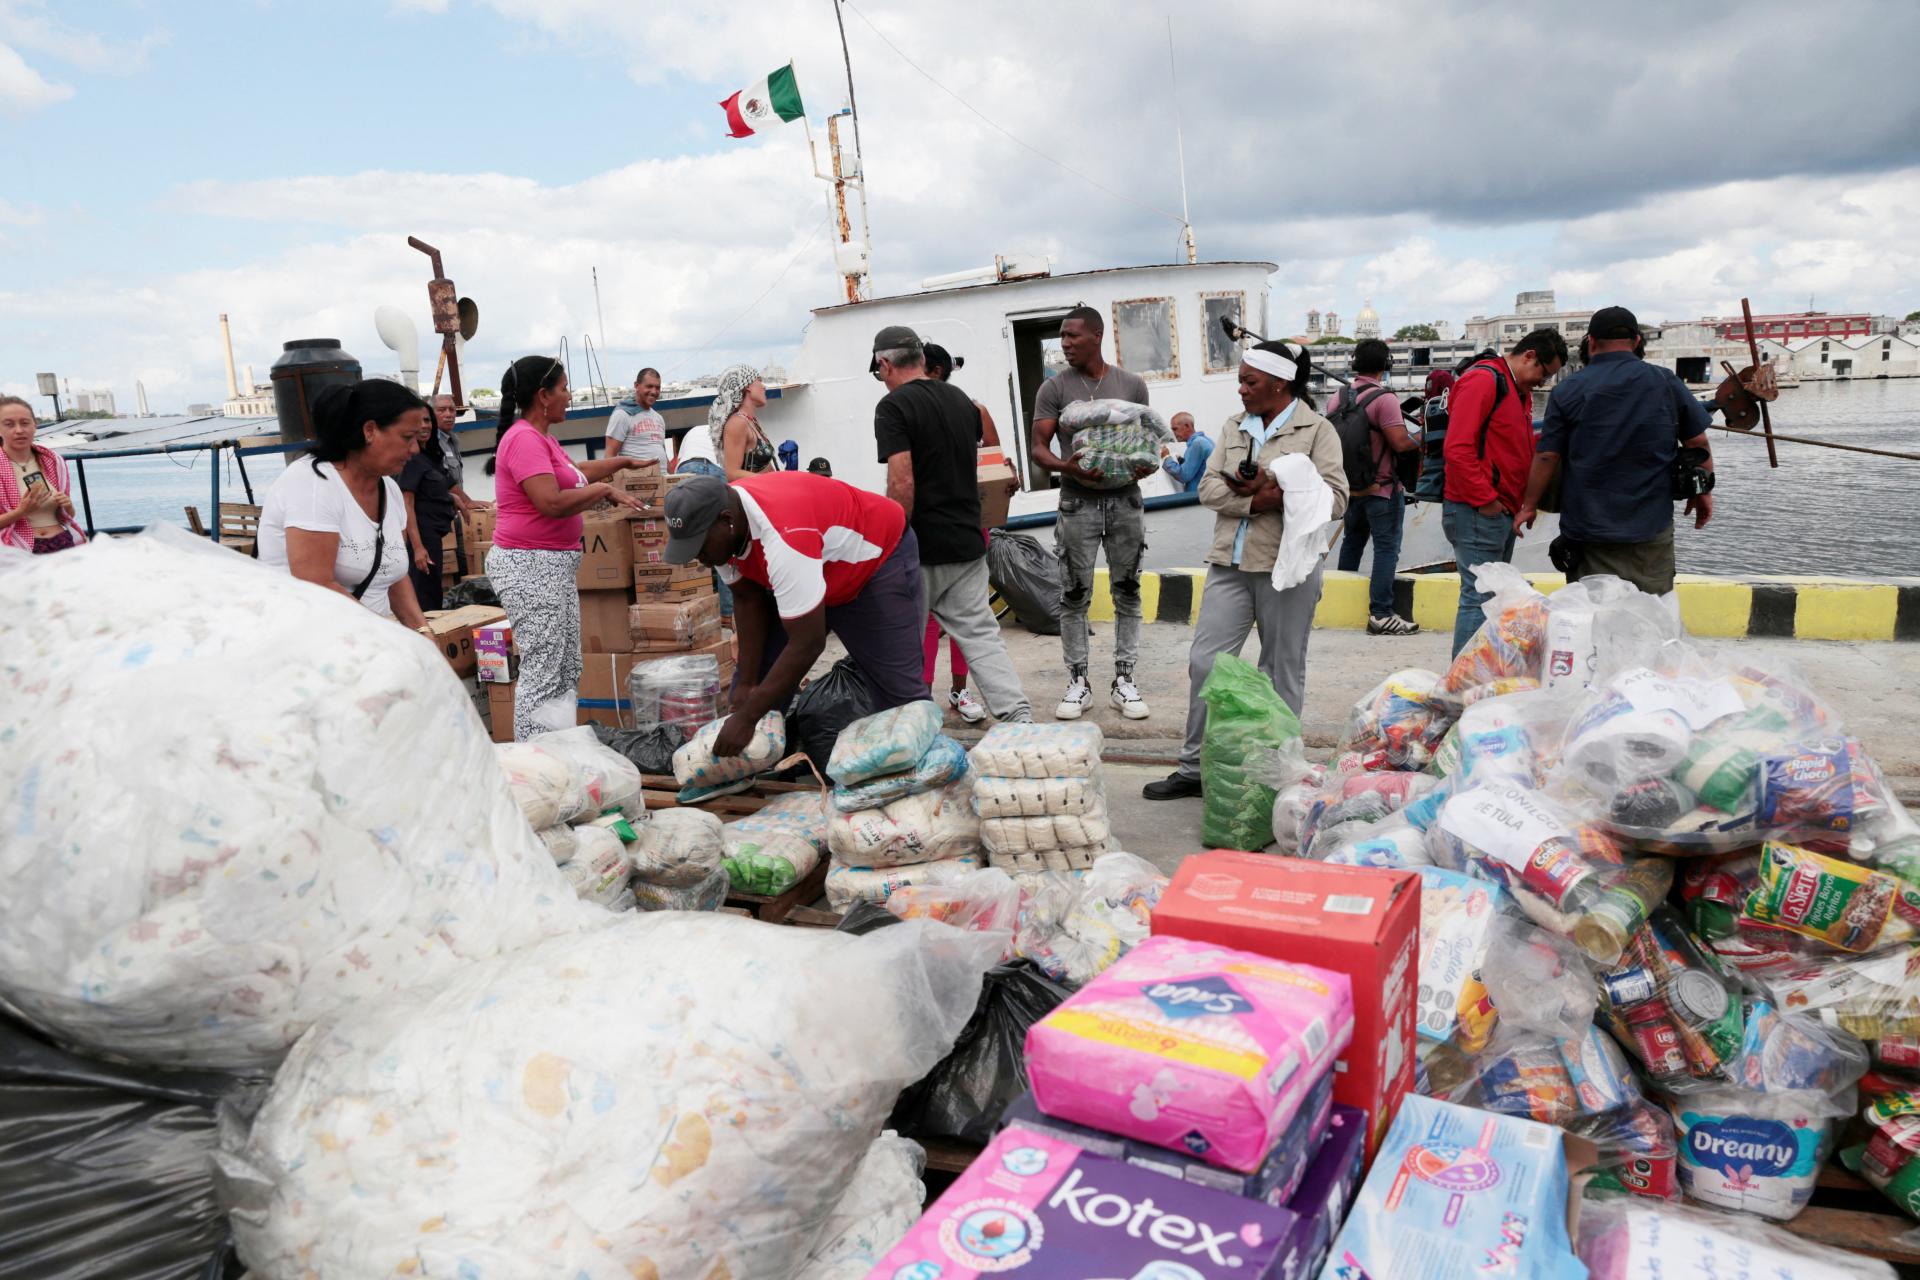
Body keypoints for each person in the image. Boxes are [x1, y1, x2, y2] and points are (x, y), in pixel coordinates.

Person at [1144, 341, 1348, 801]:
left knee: (1281, 669)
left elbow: (1335, 499)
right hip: (1229, 564)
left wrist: (1279, 481)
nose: (1240, 390)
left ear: (1279, 383)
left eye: (1249, 382)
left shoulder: (1317, 431)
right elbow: (1208, 489)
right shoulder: (1233, 426)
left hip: (1287, 569)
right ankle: (1193, 767)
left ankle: (1278, 772)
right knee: (1205, 663)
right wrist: (1257, 500)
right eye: (1241, 380)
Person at [662, 473, 928, 756]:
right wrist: (748, 684)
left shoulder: (784, 535)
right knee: (756, 685)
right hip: (811, 565)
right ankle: (752, 764)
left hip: (873, 565)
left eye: (699, 547)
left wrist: (747, 717)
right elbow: (747, 597)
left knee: (901, 699)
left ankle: (926, 779)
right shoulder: (725, 524)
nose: (697, 558)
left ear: (727, 521)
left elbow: (808, 643)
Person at [872, 324, 1032, 725]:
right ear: (923, 360)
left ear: (885, 363)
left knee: (903, 642)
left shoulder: (892, 407)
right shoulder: (963, 402)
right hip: (966, 541)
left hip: (920, 547)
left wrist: (892, 544)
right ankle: (1019, 719)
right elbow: (982, 467)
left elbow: (902, 481)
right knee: (980, 636)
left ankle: (908, 729)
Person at [485, 355, 648, 740]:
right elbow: (552, 501)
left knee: (566, 666)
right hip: (528, 565)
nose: (569, 396)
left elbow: (574, 474)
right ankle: (535, 761)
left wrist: (620, 463)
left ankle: (558, 749)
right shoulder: (523, 438)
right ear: (544, 396)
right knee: (543, 670)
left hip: (552, 565)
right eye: (563, 388)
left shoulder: (542, 438)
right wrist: (605, 491)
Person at [1517, 305, 1713, 594]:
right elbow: (1698, 444)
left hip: (1587, 530)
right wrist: (1703, 492)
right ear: (1636, 342)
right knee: (1651, 616)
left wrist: (1529, 506)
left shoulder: (1568, 390)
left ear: (1591, 342)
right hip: (1649, 527)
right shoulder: (1665, 382)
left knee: (1592, 616)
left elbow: (1548, 455)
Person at [1030, 304, 1153, 721]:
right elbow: (1038, 449)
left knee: (1128, 592)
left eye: (1072, 336)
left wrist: (1147, 464)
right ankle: (1078, 682)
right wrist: (1067, 466)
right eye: (1062, 337)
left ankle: (1124, 680)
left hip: (1126, 500)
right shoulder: (1054, 388)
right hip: (1076, 501)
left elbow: (1145, 442)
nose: (1064, 344)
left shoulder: (1132, 385)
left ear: (1096, 336)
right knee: (1073, 596)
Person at [257, 381, 428, 628]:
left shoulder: (389, 488)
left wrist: (423, 633)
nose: (415, 449)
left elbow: (393, 576)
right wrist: (391, 639)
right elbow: (315, 583)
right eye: (407, 437)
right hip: (311, 642)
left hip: (368, 641)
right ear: (370, 430)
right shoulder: (312, 483)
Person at [1442, 328, 1569, 656]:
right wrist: (1486, 501)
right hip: (1478, 510)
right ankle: (1462, 685)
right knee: (1479, 598)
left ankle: (1478, 676)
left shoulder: (1517, 390)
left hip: (1500, 510)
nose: (1543, 383)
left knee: (1492, 598)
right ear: (1529, 356)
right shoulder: (1484, 381)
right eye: (1544, 373)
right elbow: (1457, 449)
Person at [1332, 338, 1421, 636]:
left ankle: (1341, 603)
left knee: (1352, 543)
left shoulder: (1338, 396)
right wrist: (1424, 436)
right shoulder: (1384, 399)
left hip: (1351, 489)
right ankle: (1381, 613)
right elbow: (1399, 443)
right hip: (1382, 489)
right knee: (1386, 549)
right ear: (1386, 365)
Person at [0, 394, 87, 554]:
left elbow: (67, 516)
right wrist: (20, 512)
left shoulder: (53, 461)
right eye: (9, 424)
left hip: (62, 542)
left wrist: (67, 505)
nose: (19, 430)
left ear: (35, 425)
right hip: (18, 549)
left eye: (25, 423)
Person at [400, 408, 459, 611]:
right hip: (422, 538)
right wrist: (418, 547)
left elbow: (430, 491)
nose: (424, 425)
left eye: (427, 420)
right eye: (419, 421)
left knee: (434, 593)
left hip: (433, 537)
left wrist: (454, 498)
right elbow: (406, 503)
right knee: (425, 599)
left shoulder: (429, 457)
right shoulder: (411, 460)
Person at [925, 342, 1003, 447]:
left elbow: (993, 455)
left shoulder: (976, 411)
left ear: (936, 372)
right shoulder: (975, 410)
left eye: (917, 371)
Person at [711, 364, 778, 479]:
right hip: (753, 494)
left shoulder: (751, 421)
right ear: (747, 386)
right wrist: (769, 482)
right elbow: (732, 473)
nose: (763, 387)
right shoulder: (737, 423)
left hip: (764, 492)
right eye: (759, 381)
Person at [603, 367, 668, 465]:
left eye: (657, 387)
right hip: (636, 479)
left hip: (661, 478)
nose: (654, 391)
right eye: (649, 386)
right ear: (636, 385)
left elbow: (662, 452)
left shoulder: (658, 418)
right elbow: (609, 456)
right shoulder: (622, 414)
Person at [1160, 411, 1212, 492]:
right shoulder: (1206, 441)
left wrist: (1166, 457)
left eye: (1175, 429)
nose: (1173, 433)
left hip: (1198, 499)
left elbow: (1183, 476)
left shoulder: (1198, 443)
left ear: (1187, 426)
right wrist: (1182, 461)